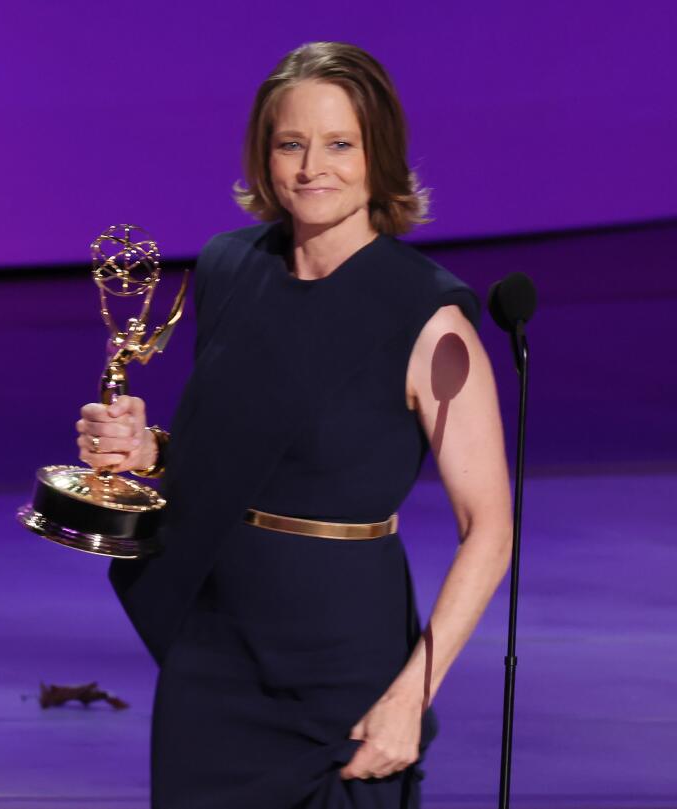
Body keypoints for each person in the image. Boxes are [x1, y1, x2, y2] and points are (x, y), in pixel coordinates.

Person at [74, 42, 512, 808]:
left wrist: (412, 694)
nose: (314, 167)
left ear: (381, 155)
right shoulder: (228, 267)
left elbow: (490, 526)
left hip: (342, 663)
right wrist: (146, 449)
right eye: (291, 144)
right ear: (263, 153)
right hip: (214, 651)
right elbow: (250, 442)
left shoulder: (429, 319)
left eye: (341, 144)